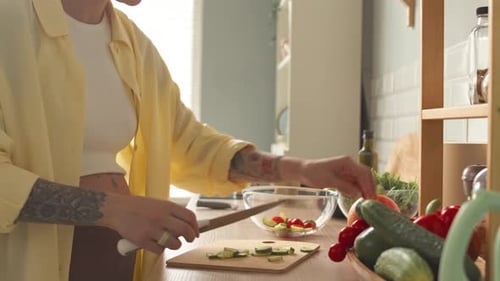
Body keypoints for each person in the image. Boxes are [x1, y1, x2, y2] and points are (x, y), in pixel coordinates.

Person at [0, 0, 376, 281]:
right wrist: (111, 209)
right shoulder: (9, 20)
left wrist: (302, 170)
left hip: (119, 259)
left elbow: (188, 142)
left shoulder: (130, 42)